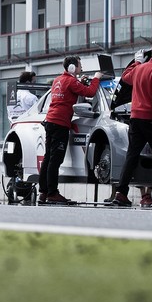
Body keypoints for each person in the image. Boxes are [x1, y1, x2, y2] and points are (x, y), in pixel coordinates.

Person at [108, 41, 152, 207]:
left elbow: (125, 77)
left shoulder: (139, 69)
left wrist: (137, 61)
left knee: (132, 156)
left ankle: (121, 193)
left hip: (135, 118)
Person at [38, 56, 102, 205]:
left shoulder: (58, 80)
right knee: (56, 159)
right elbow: (90, 92)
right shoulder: (71, 81)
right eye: (80, 66)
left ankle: (44, 192)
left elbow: (70, 90)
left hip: (51, 121)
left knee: (48, 158)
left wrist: (80, 80)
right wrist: (96, 78)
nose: (81, 68)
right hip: (60, 123)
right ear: (72, 67)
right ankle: (53, 193)